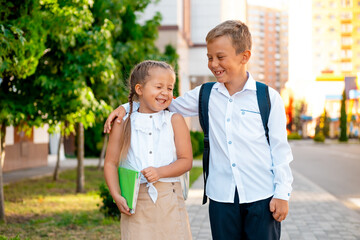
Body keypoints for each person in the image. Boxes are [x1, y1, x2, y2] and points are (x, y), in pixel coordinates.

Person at [104, 20, 293, 240]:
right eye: (209, 57)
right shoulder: (205, 94)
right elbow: (160, 103)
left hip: (262, 196)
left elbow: (280, 151)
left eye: (220, 57)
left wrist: (282, 194)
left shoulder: (268, 98)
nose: (213, 64)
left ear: (244, 56)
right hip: (221, 198)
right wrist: (126, 107)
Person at [103, 60, 193, 240]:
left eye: (169, 88)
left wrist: (160, 172)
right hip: (135, 202)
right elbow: (111, 163)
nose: (165, 93)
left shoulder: (174, 120)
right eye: (159, 86)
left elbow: (186, 161)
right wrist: (116, 195)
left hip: (170, 198)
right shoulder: (124, 122)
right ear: (139, 89)